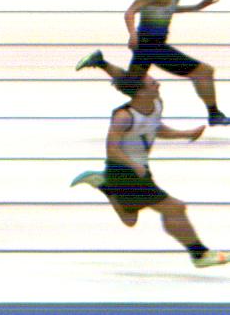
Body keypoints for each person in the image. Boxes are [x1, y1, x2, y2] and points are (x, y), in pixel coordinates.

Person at [70, 57, 230, 268]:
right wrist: (134, 165)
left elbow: (154, 127)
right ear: (140, 92)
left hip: (140, 169)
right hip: (124, 171)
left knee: (130, 219)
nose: (158, 84)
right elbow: (112, 149)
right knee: (175, 208)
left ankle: (106, 186)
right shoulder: (123, 117)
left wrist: (185, 133)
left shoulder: (156, 104)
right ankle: (199, 255)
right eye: (152, 83)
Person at [78, 0, 229, 126]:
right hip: (150, 44)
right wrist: (133, 35)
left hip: (152, 43)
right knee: (204, 72)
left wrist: (196, 7)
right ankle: (214, 114)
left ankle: (100, 62)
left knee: (131, 85)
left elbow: (167, 7)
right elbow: (131, 11)